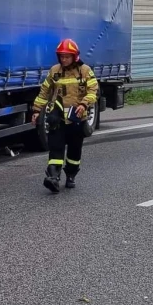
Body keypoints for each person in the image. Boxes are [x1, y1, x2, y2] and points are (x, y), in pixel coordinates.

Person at [31, 38, 100, 193]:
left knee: (74, 151)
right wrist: (36, 111)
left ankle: (71, 175)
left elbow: (93, 91)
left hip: (76, 118)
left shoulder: (85, 71)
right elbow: (44, 92)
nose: (64, 59)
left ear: (74, 56)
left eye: (67, 56)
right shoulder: (54, 71)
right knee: (55, 147)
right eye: (61, 56)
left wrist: (84, 104)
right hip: (57, 117)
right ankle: (53, 177)